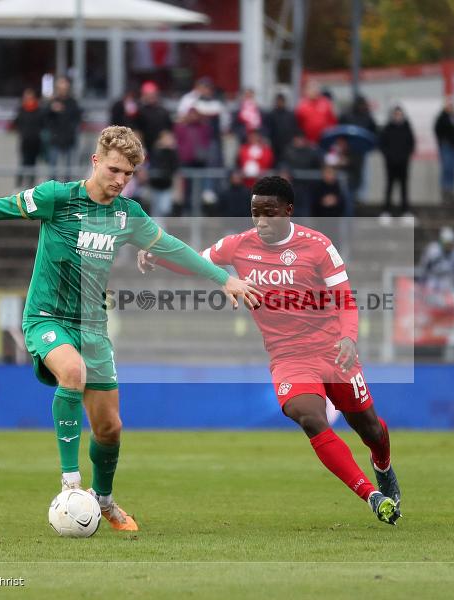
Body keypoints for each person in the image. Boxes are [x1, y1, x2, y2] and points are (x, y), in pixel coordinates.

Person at [0, 126, 260, 531]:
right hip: (46, 317)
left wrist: (224, 278)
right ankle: (70, 486)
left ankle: (105, 500)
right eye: (114, 170)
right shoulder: (56, 198)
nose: (119, 181)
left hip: (92, 326)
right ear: (96, 161)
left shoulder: (127, 215)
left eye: (128, 175)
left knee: (110, 428)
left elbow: (172, 248)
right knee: (72, 372)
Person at [138, 175, 401, 526]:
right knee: (308, 415)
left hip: (332, 351)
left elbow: (345, 299)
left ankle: (382, 464)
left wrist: (349, 338)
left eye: (269, 213)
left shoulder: (318, 245)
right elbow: (196, 262)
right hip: (289, 357)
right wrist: (158, 256)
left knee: (370, 429)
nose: (261, 221)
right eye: (255, 213)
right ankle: (371, 494)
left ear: (288, 211)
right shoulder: (237, 245)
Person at [379, 105, 416, 218]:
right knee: (389, 186)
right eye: (396, 114)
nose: (397, 116)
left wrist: (405, 157)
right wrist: (388, 157)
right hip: (390, 163)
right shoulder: (387, 128)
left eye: (399, 114)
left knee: (404, 187)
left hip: (403, 163)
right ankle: (386, 211)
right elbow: (382, 144)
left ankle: (405, 211)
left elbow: (411, 144)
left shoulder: (407, 128)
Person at [44, 76, 82, 181]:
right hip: (55, 138)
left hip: (69, 139)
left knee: (68, 170)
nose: (62, 88)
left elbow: (77, 118)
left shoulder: (72, 102)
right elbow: (44, 117)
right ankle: (52, 192)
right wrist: (51, 108)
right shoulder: (52, 101)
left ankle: (67, 193)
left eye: (64, 86)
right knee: (53, 170)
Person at [13, 88, 44, 188]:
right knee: (23, 163)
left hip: (35, 142)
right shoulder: (21, 109)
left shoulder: (39, 110)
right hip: (25, 141)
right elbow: (16, 123)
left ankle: (30, 186)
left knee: (33, 164)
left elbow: (43, 123)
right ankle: (19, 185)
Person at [434, 98, 454, 204]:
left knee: (453, 170)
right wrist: (443, 140)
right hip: (446, 146)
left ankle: (451, 191)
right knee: (446, 168)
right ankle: (445, 191)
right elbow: (437, 130)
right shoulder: (442, 117)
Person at [294, 81, 337, 145]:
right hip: (308, 142)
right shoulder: (301, 106)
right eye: (311, 88)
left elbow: (333, 121)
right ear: (306, 91)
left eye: (315, 88)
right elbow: (297, 124)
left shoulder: (326, 102)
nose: (314, 90)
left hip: (326, 140)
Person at [265, 92, 299, 167]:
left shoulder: (290, 114)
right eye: (278, 101)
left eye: (281, 101)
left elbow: (294, 128)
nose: (280, 103)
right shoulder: (271, 114)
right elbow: (268, 129)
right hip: (274, 144)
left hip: (287, 144)